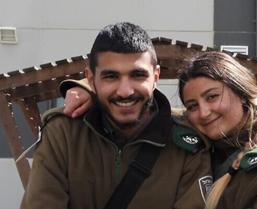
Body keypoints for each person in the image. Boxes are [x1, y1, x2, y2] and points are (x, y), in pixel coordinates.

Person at [63, 51, 257, 209]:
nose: (204, 113)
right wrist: (94, 92)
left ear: (242, 93)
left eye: (212, 97)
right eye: (192, 106)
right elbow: (151, 116)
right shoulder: (205, 143)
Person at [20, 22, 212, 209]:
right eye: (111, 77)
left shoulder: (187, 144)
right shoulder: (63, 134)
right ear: (90, 79)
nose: (125, 91)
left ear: (156, 77)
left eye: (138, 75)